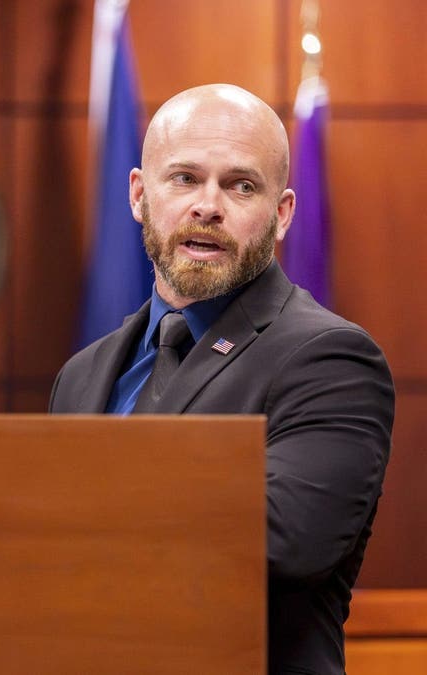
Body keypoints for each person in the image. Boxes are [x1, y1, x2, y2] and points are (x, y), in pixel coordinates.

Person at [50, 83, 394, 674]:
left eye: (241, 185)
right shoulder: (81, 375)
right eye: (184, 178)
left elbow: (279, 543)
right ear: (138, 195)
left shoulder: (330, 359)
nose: (208, 205)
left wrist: (79, 513)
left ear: (282, 213)